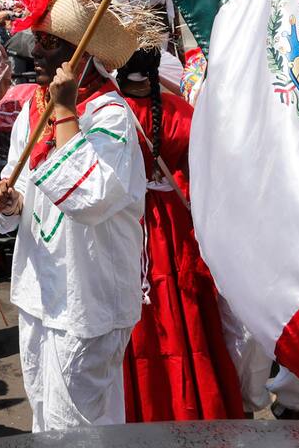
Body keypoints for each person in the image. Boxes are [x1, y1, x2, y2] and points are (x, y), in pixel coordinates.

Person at [0, 0, 149, 432]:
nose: (35, 52)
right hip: (41, 288)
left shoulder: (111, 115)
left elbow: (91, 199)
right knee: (45, 415)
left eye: (50, 43)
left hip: (88, 296)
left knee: (76, 426)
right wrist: (11, 203)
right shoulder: (33, 109)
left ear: (83, 55)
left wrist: (64, 108)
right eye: (37, 40)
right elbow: (31, 192)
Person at [116, 47, 244, 422]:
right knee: (186, 315)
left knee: (139, 317)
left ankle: (141, 407)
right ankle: (197, 403)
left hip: (131, 222)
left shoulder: (108, 115)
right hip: (174, 222)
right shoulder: (182, 114)